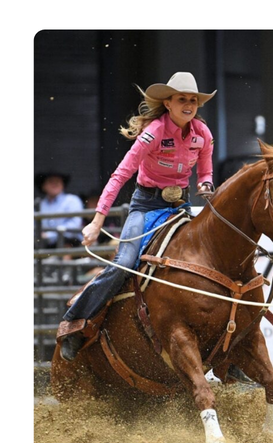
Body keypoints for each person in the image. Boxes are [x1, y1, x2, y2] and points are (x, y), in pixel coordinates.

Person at [57, 72, 217, 361]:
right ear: (168, 103)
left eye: (193, 100)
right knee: (124, 264)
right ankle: (75, 324)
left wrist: (206, 183)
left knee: (207, 263)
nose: (189, 104)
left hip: (180, 205)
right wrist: (97, 221)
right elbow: (120, 175)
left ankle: (226, 348)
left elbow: (205, 171)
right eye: (182, 99)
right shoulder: (153, 132)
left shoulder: (202, 134)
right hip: (145, 205)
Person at [36, 172, 84, 249]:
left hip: (69, 243)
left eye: (58, 181)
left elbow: (74, 226)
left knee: (67, 244)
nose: (55, 184)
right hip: (44, 244)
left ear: (63, 184)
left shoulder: (72, 200)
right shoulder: (39, 204)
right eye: (51, 181)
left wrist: (49, 235)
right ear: (43, 186)